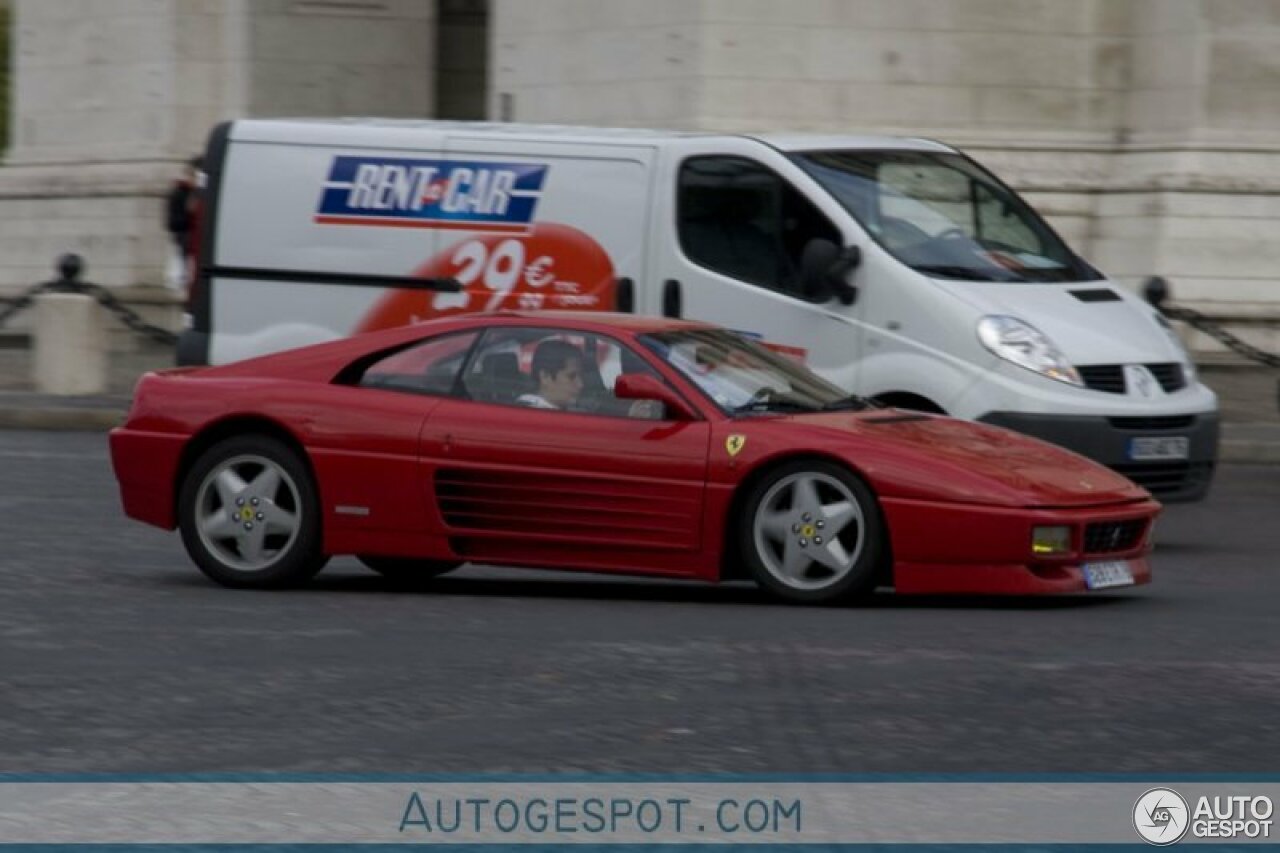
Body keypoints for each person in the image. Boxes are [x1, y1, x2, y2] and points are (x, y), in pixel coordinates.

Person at [164, 157, 202, 290]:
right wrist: (189, 213)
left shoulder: (198, 192)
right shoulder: (180, 193)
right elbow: (173, 222)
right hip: (186, 242)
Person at [517, 339, 584, 410]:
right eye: (571, 376)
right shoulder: (530, 415)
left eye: (581, 376)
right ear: (545, 377)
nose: (580, 384)